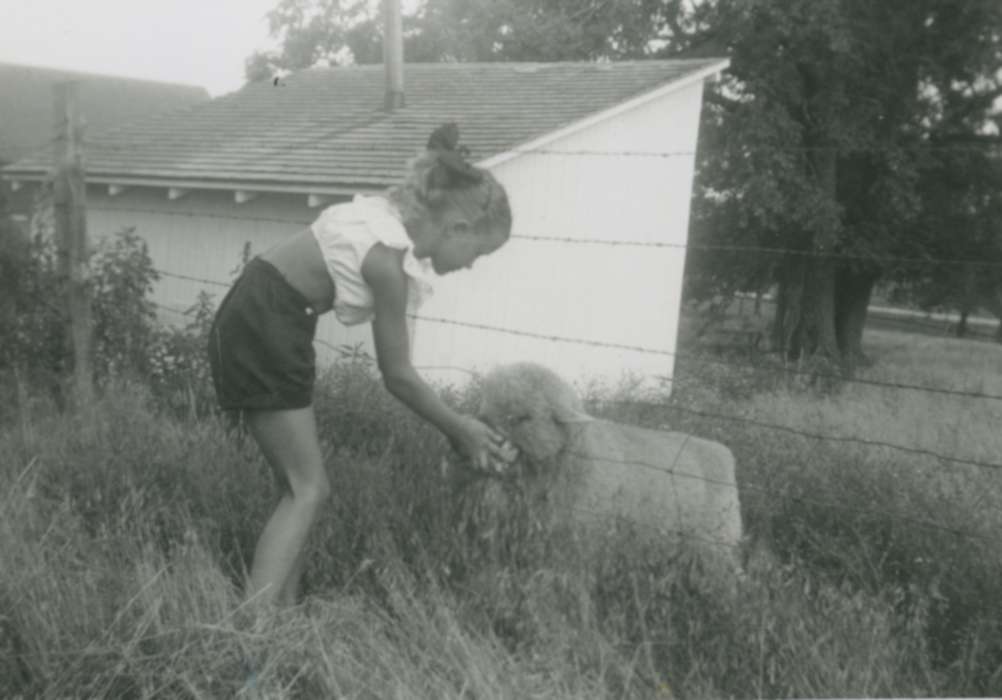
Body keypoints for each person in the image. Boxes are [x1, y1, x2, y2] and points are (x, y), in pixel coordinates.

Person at [207, 123, 514, 607]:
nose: (472, 264)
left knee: (297, 488)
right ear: (457, 228)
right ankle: (251, 634)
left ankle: (283, 617)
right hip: (269, 323)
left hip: (264, 316)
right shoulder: (386, 262)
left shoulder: (382, 219)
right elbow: (398, 375)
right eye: (478, 252)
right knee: (308, 489)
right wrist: (461, 429)